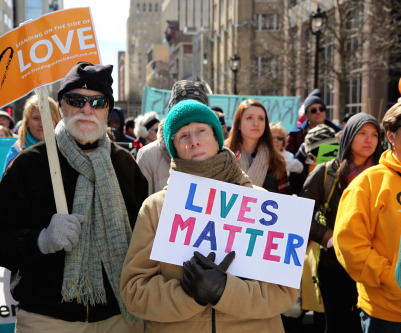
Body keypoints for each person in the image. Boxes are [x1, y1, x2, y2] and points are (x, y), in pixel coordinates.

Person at [0, 62, 148, 333]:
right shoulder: (30, 164)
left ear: (107, 109)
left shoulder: (125, 165)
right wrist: (40, 240)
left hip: (119, 318)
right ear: (60, 105)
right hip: (47, 319)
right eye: (76, 99)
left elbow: (146, 242)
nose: (86, 109)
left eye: (97, 101)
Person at [120, 99, 299, 332]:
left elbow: (285, 292)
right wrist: (189, 295)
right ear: (173, 147)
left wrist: (225, 291)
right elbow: (134, 291)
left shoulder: (262, 204)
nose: (194, 141)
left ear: (216, 137)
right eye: (183, 136)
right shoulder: (156, 208)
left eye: (201, 131)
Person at [333, 99, 401, 332]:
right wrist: (392, 277)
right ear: (391, 136)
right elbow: (349, 245)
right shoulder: (369, 182)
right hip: (388, 314)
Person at [301, 113, 382, 333]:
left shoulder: (386, 174)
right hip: (335, 265)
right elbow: (300, 214)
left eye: (374, 134)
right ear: (348, 136)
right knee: (337, 326)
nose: (369, 140)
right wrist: (329, 238)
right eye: (362, 133)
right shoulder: (326, 172)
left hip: (377, 266)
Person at [136, 79, 210, 195]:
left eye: (197, 109)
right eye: (184, 108)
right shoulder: (148, 156)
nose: (190, 115)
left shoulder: (219, 153)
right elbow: (142, 209)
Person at [225, 99, 291, 194]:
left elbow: (286, 201)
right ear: (238, 124)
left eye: (261, 118)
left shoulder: (276, 160)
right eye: (249, 118)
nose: (256, 123)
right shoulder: (222, 155)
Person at [4, 94, 61, 168]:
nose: (41, 124)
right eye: (36, 118)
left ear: (56, 121)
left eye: (47, 118)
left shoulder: (68, 148)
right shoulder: (17, 152)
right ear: (27, 122)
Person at [286, 89, 341, 155]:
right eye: (313, 110)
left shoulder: (338, 132)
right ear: (306, 115)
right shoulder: (295, 135)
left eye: (321, 109)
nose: (318, 112)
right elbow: (288, 158)